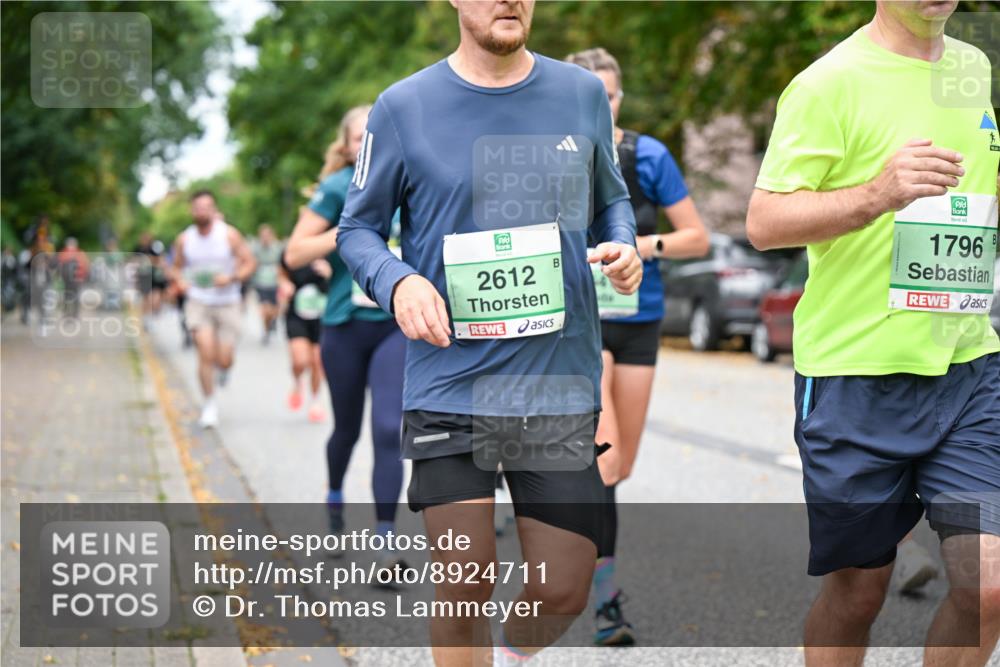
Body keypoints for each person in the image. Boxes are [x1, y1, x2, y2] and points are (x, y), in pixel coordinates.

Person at [336, 2, 642, 664]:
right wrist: (398, 282)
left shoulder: (580, 93)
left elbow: (611, 199)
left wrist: (623, 243)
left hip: (556, 383)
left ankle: (507, 654)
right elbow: (357, 229)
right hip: (450, 382)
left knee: (563, 588)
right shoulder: (403, 107)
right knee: (464, 584)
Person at [746, 2, 999, 665]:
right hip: (853, 376)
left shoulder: (973, 66)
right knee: (859, 591)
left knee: (989, 586)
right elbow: (764, 223)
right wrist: (879, 193)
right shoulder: (827, 83)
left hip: (968, 366)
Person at [566, 46, 710, 647]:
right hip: (583, 323)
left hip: (639, 319)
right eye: (589, 97)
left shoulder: (647, 155)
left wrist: (638, 247)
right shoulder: (553, 154)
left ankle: (563, 518)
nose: (602, 107)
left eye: (610, 96)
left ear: (621, 98)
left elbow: (697, 238)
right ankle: (605, 602)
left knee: (618, 467)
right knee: (604, 460)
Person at [284, 105, 409, 573]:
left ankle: (385, 541)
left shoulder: (412, 182)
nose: (370, 145)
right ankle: (335, 499)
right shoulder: (338, 188)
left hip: (395, 324)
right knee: (347, 429)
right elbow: (294, 252)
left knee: (388, 428)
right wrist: (349, 233)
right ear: (348, 147)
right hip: (344, 325)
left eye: (379, 134)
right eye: (360, 138)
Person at [171, 190, 256, 428]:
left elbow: (250, 262)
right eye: (197, 207)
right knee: (205, 352)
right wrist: (180, 281)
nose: (201, 211)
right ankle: (209, 405)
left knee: (224, 358)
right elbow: (175, 267)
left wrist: (231, 278)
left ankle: (224, 369)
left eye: (206, 207)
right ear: (192, 210)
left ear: (214, 209)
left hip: (228, 301)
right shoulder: (185, 239)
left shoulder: (229, 235)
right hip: (198, 302)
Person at [278, 250, 330, 423]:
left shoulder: (331, 249)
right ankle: (297, 381)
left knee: (317, 361)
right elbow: (281, 272)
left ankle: (315, 401)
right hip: (297, 314)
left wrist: (330, 274)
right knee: (300, 360)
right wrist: (285, 284)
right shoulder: (293, 249)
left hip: (322, 315)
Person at [251, 224, 283, 344]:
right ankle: (266, 331)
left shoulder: (277, 248)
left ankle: (272, 322)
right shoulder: (256, 248)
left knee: (274, 309)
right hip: (261, 283)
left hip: (275, 283)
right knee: (265, 310)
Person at [134, 231, 167, 329]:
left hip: (155, 276)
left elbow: (161, 259)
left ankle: (152, 317)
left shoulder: (154, 247)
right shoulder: (139, 249)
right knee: (146, 299)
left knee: (155, 298)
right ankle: (146, 319)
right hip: (146, 276)